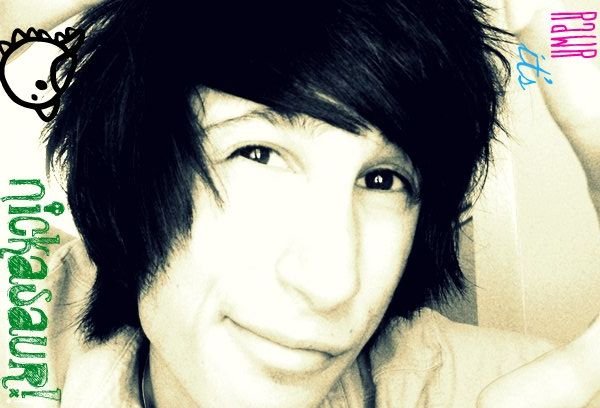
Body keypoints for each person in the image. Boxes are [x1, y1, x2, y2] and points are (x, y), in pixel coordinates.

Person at [1, 0, 599, 407]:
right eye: (258, 153)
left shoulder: (503, 387)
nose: (333, 284)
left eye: (383, 180)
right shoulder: (22, 325)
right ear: (126, 164)